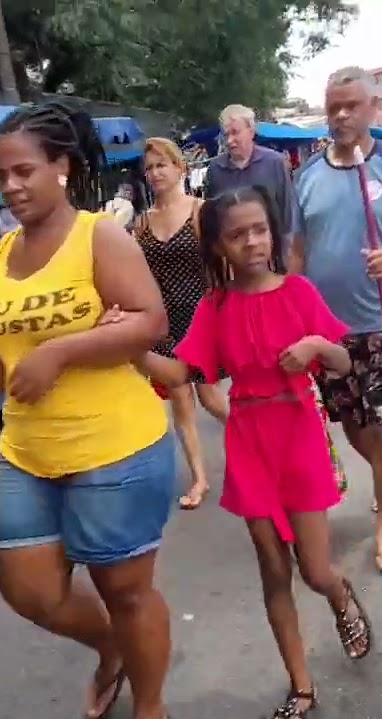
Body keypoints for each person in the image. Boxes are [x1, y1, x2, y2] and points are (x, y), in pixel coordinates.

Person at [0, 102, 176, 719]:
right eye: (1, 176)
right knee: (29, 591)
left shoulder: (98, 235)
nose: (12, 186)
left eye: (24, 170)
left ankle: (150, 707)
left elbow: (150, 321)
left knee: (127, 594)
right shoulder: (3, 252)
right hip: (27, 453)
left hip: (115, 447)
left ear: (62, 167)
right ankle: (111, 649)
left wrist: (63, 350)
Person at [117, 186, 372, 719]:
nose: (252, 242)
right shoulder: (215, 308)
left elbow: (344, 363)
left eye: (259, 230)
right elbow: (179, 373)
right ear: (218, 247)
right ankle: (301, 688)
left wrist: (315, 349)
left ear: (271, 232)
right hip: (249, 442)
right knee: (273, 573)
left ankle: (340, 594)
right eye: (237, 235)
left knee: (315, 570)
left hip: (298, 432)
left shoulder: (299, 292)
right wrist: (129, 347)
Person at [290, 67, 382, 578]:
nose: (341, 116)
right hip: (327, 329)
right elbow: (298, 251)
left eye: (351, 106)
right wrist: (291, 310)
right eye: (333, 108)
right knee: (350, 422)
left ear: (372, 108)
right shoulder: (305, 175)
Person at [135, 137, 231, 509]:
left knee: (208, 396)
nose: (156, 173)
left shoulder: (201, 212)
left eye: (162, 164)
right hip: (163, 320)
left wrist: (227, 310)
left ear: (180, 168)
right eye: (150, 167)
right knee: (179, 400)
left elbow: (221, 266)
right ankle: (199, 479)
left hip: (200, 316)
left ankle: (257, 442)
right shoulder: (142, 223)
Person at [205, 104, 294, 237]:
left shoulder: (275, 163)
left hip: (271, 250)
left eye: (235, 132)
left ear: (251, 132)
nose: (229, 141)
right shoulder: (215, 168)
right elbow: (212, 218)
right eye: (226, 134)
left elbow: (288, 215)